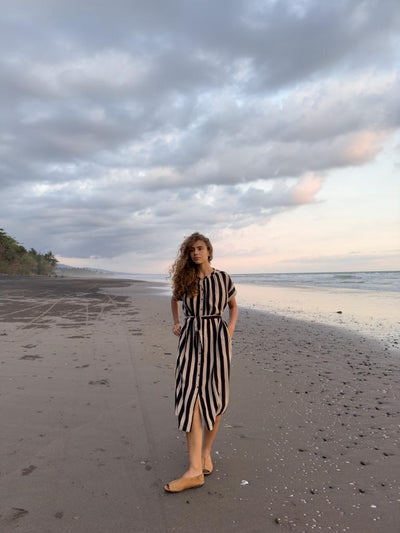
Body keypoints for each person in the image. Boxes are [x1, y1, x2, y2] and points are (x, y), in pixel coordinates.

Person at [164, 232, 238, 493]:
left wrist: (229, 329)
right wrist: (176, 322)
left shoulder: (223, 278)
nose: (195, 253)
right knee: (189, 397)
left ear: (209, 251)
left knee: (215, 397)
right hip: (191, 341)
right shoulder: (186, 279)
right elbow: (174, 299)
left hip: (217, 342)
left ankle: (205, 452)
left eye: (200, 248)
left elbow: (233, 305)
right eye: (191, 250)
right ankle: (194, 470)